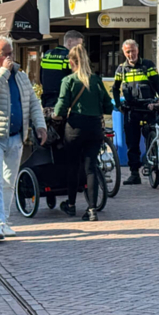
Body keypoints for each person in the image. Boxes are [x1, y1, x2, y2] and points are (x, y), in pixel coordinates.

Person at [0, 35, 47, 241]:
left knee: (9, 180)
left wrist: (40, 125)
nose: (9, 58)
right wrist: (3, 71)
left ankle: (5, 221)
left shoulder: (21, 76)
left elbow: (33, 102)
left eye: (11, 54)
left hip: (15, 136)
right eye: (4, 54)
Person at [53, 45, 114, 221]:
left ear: (72, 62)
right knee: (91, 168)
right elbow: (108, 106)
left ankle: (71, 205)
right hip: (95, 127)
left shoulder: (69, 81)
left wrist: (56, 115)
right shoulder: (95, 80)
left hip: (75, 128)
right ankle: (92, 209)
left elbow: (61, 106)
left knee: (72, 166)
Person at [112, 39, 159, 185]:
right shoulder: (121, 69)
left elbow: (158, 85)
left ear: (138, 50)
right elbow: (115, 88)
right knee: (132, 144)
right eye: (128, 51)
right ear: (124, 52)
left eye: (133, 51)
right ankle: (134, 174)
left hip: (149, 109)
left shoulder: (148, 65)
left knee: (154, 142)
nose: (131, 54)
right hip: (131, 110)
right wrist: (118, 105)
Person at [40, 30, 84, 108]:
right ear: (69, 42)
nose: (79, 49)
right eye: (78, 45)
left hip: (47, 99)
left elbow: (41, 76)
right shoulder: (69, 57)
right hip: (62, 99)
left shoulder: (47, 54)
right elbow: (74, 80)